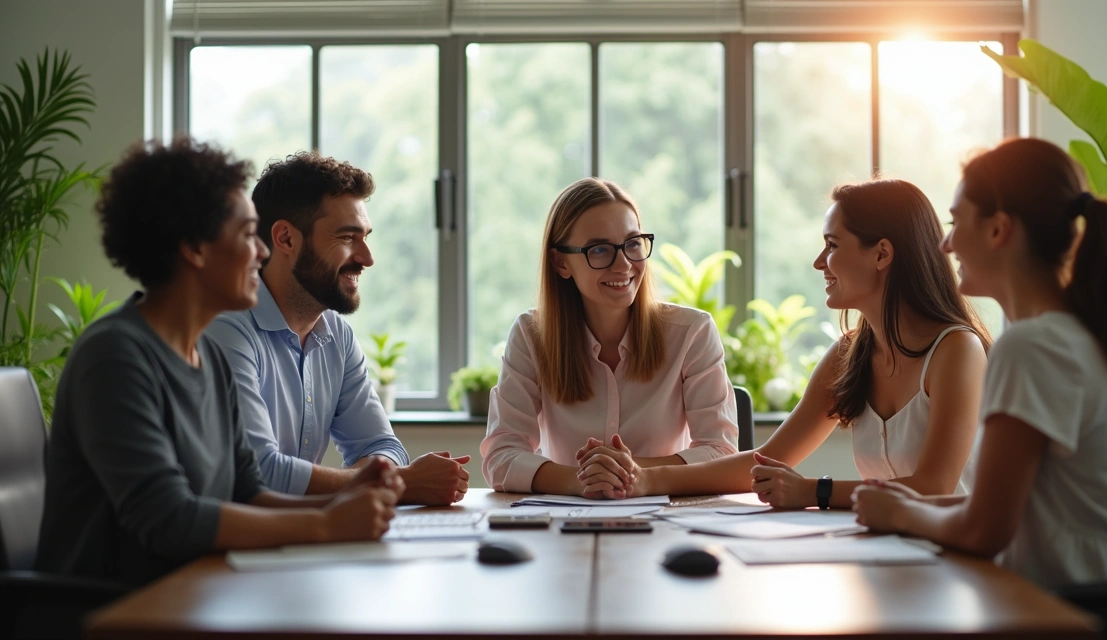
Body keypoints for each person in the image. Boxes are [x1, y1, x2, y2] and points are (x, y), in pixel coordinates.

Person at [36, 138, 403, 587]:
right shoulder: (114, 356)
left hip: (197, 590)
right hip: (116, 611)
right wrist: (326, 525)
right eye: (248, 234)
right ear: (195, 248)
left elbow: (248, 493)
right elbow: (169, 518)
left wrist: (348, 507)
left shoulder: (205, 353)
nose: (263, 252)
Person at [852, 138, 1107, 587]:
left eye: (955, 223)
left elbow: (984, 530)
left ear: (998, 230)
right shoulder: (1084, 334)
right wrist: (906, 507)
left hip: (1082, 612)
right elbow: (1012, 505)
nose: (946, 245)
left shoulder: (1032, 346)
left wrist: (902, 515)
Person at [582, 179, 990, 507]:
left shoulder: (956, 351)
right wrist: (640, 479)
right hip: (893, 549)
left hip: (958, 562)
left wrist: (815, 491)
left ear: (882, 254)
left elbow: (934, 487)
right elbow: (766, 462)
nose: (819, 262)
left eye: (832, 245)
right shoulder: (850, 355)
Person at [205, 151, 469, 505]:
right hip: (232, 550)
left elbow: (381, 445)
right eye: (347, 238)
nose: (367, 257)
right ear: (285, 239)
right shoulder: (227, 329)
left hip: (305, 538)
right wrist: (402, 482)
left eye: (365, 236)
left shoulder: (336, 335)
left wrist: (381, 479)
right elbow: (260, 471)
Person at [480, 177, 739, 497]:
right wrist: (581, 479)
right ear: (561, 262)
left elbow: (720, 452)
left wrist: (630, 472)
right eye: (599, 249)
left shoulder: (692, 332)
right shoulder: (531, 336)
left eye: (633, 244)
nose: (624, 264)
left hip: (666, 518)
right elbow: (501, 456)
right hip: (566, 523)